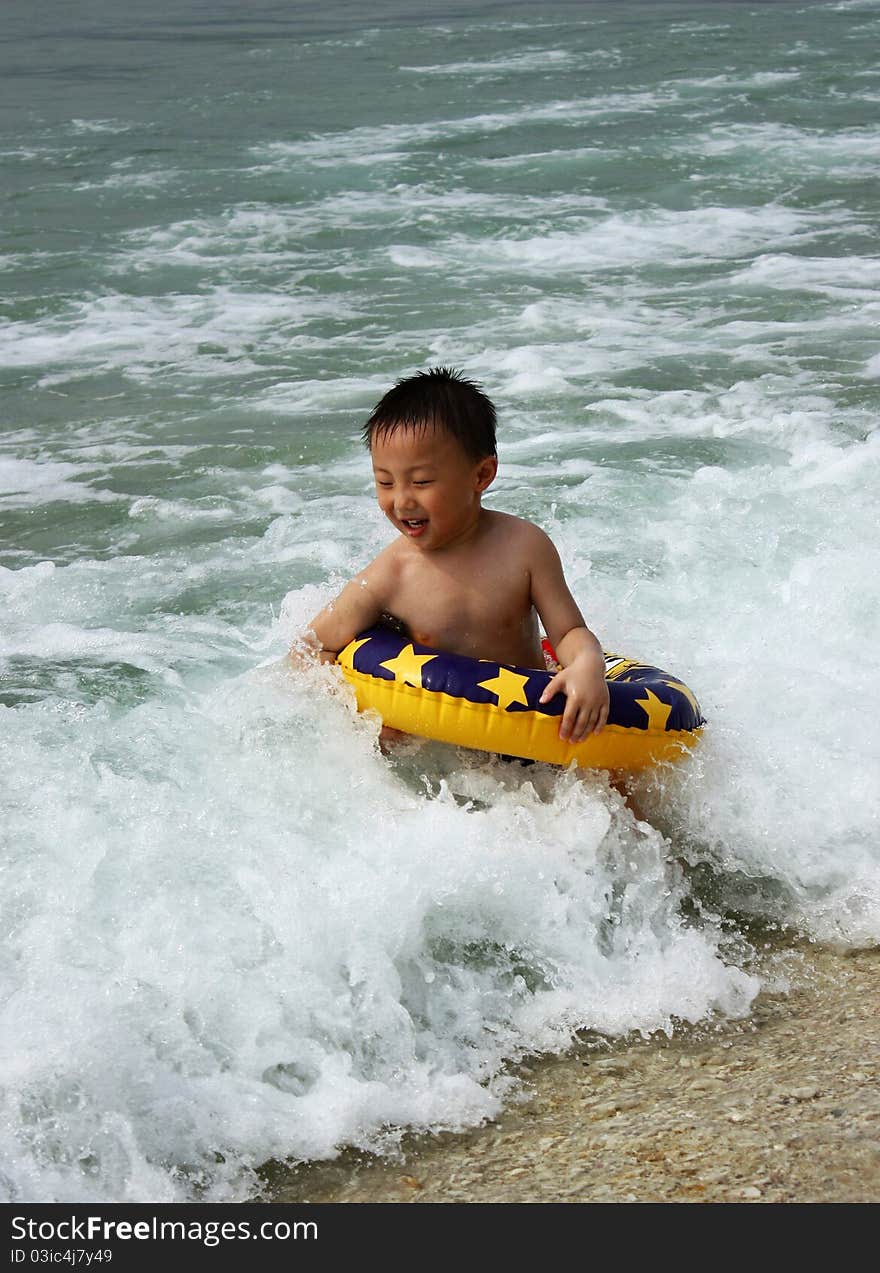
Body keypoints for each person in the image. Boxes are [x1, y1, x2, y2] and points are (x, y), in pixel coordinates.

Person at [296, 367, 610, 745]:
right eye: (385, 482)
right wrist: (357, 710)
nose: (401, 500)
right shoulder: (390, 576)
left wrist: (588, 663)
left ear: (481, 475)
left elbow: (567, 632)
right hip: (445, 751)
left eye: (422, 482)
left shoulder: (524, 547)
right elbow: (310, 648)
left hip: (534, 732)